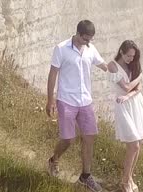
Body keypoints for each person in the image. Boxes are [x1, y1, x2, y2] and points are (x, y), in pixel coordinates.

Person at [46, 19, 109, 191]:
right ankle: (54, 160)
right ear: (78, 34)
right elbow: (53, 74)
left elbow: (104, 66)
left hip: (85, 101)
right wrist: (50, 100)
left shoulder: (90, 49)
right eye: (85, 39)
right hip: (66, 100)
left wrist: (121, 68)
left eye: (90, 39)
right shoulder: (61, 49)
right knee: (68, 139)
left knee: (89, 136)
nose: (87, 42)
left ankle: (85, 176)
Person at [107, 40, 143, 192]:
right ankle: (125, 181)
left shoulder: (132, 65)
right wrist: (139, 77)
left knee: (138, 144)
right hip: (122, 106)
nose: (131, 59)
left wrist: (129, 95)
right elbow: (127, 87)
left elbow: (138, 89)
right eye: (128, 56)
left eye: (133, 56)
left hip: (134, 103)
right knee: (133, 145)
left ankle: (128, 178)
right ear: (121, 52)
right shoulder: (112, 66)